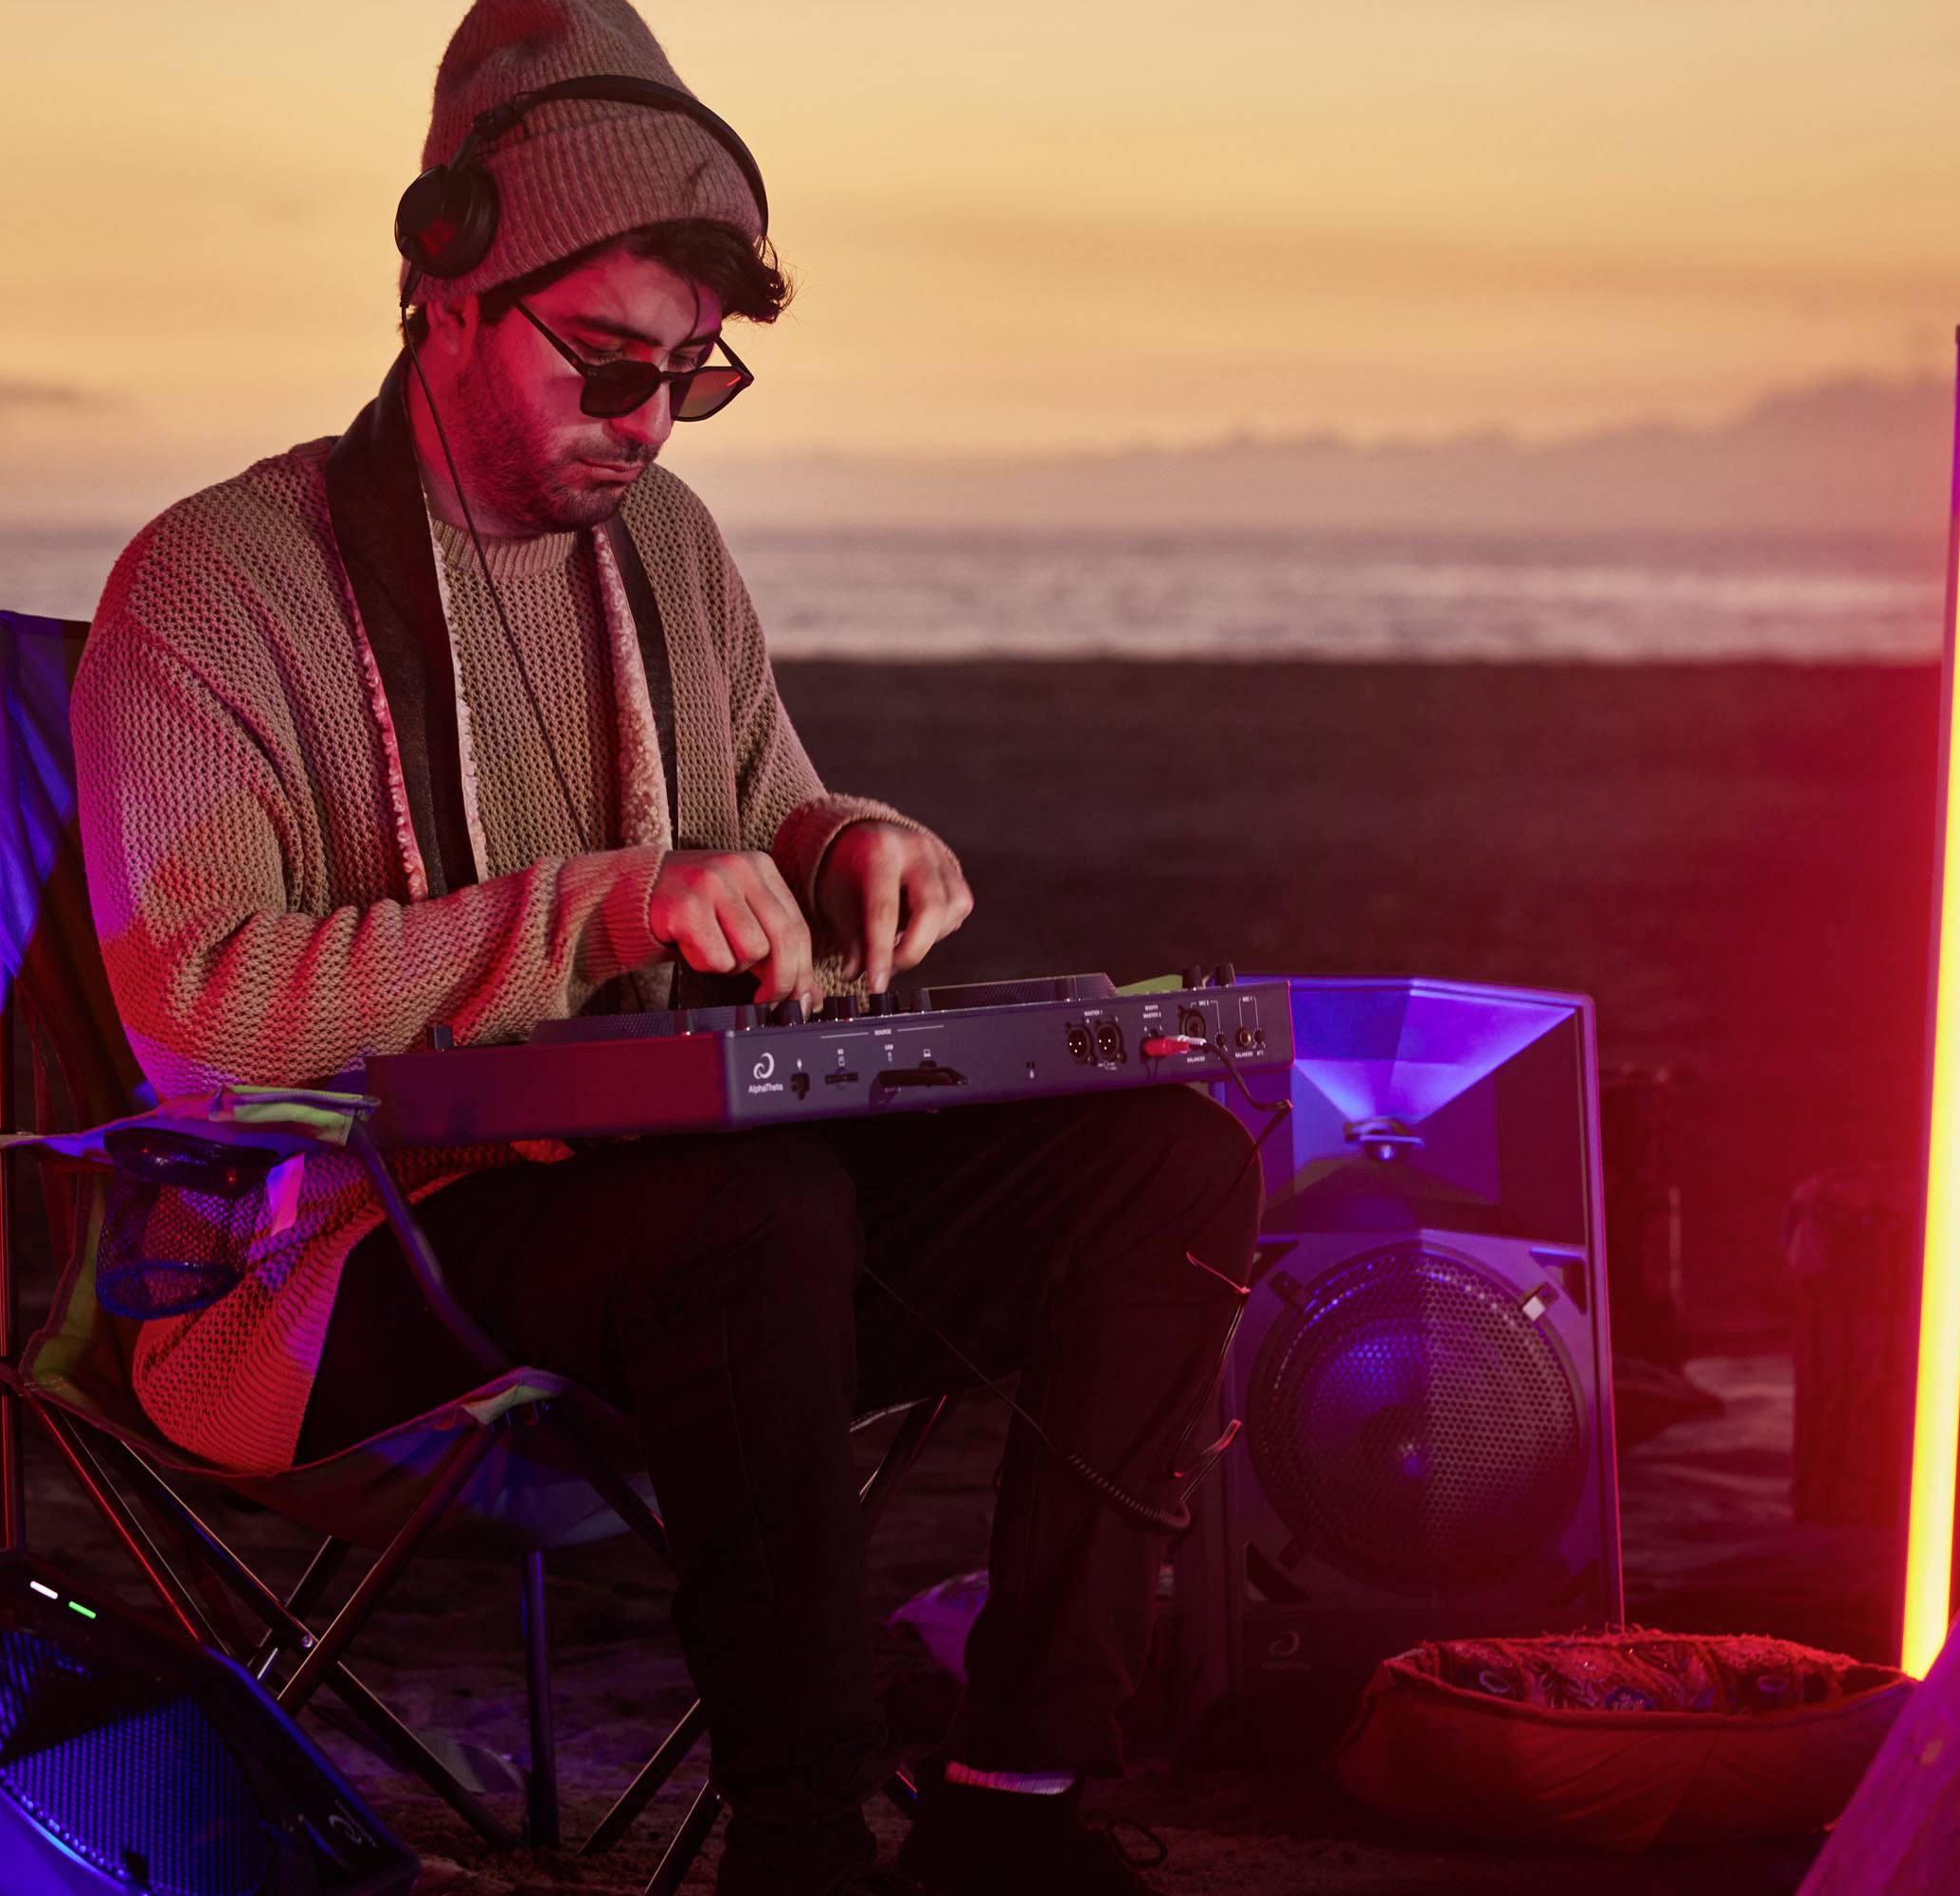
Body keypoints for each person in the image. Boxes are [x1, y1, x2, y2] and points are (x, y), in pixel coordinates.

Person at [69, 3, 1259, 1889]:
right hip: (344, 1257)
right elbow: (201, 1015)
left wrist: (848, 841)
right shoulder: (216, 580)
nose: (644, 421)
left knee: (1166, 1158)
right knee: (751, 1214)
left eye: (691, 380)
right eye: (608, 363)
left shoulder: (671, 548)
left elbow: (766, 801)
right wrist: (599, 905)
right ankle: (804, 1835)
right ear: (441, 284)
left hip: (687, 1249)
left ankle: (1013, 1803)